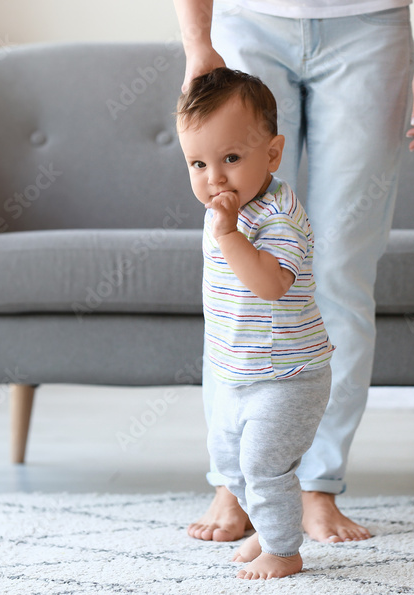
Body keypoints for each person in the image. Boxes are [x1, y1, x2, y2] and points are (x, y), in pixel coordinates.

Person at [166, 0, 414, 544]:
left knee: (341, 271)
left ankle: (317, 486)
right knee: (232, 255)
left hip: (370, 19)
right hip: (245, 17)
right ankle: (234, 480)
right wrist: (197, 43)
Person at [176, 66, 335, 579]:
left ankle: (284, 551)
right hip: (236, 371)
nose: (213, 178)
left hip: (288, 375)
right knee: (230, 462)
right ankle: (267, 533)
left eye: (230, 159)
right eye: (198, 163)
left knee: (265, 466)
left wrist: (228, 236)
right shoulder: (224, 208)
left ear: (272, 154)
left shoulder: (278, 216)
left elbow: (270, 284)